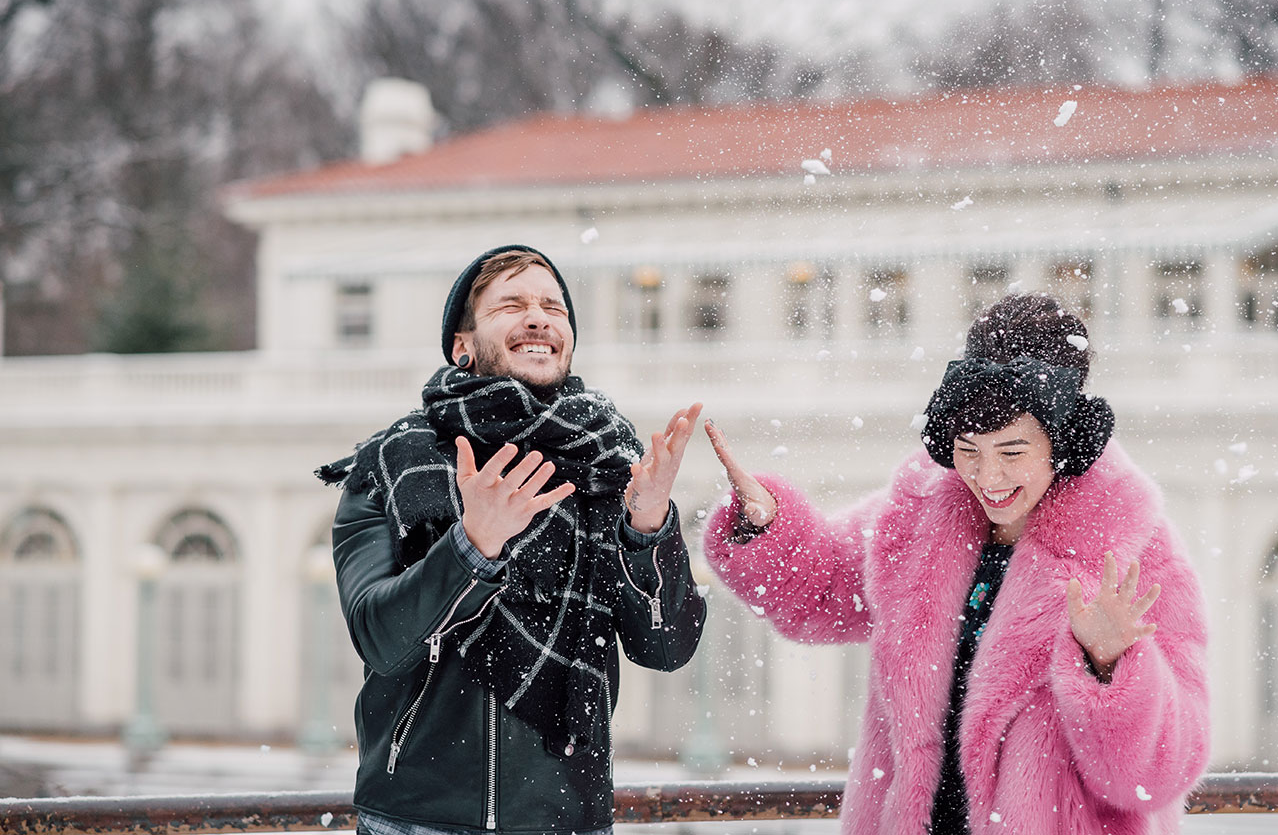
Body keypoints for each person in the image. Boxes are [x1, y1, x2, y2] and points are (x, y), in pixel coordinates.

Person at [702, 294, 1208, 835]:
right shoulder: (918, 513)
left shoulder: (1135, 549)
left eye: (1012, 452)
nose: (988, 476)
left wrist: (1110, 667)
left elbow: (1159, 774)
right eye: (968, 450)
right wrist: (764, 526)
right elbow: (821, 592)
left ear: (1063, 442)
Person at [318, 245, 707, 835]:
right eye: (512, 305)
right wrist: (472, 546)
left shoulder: (608, 467)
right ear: (462, 345)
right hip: (418, 819)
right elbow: (379, 637)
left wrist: (647, 528)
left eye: (554, 306)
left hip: (566, 820)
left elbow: (666, 646)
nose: (538, 317)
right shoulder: (392, 466)